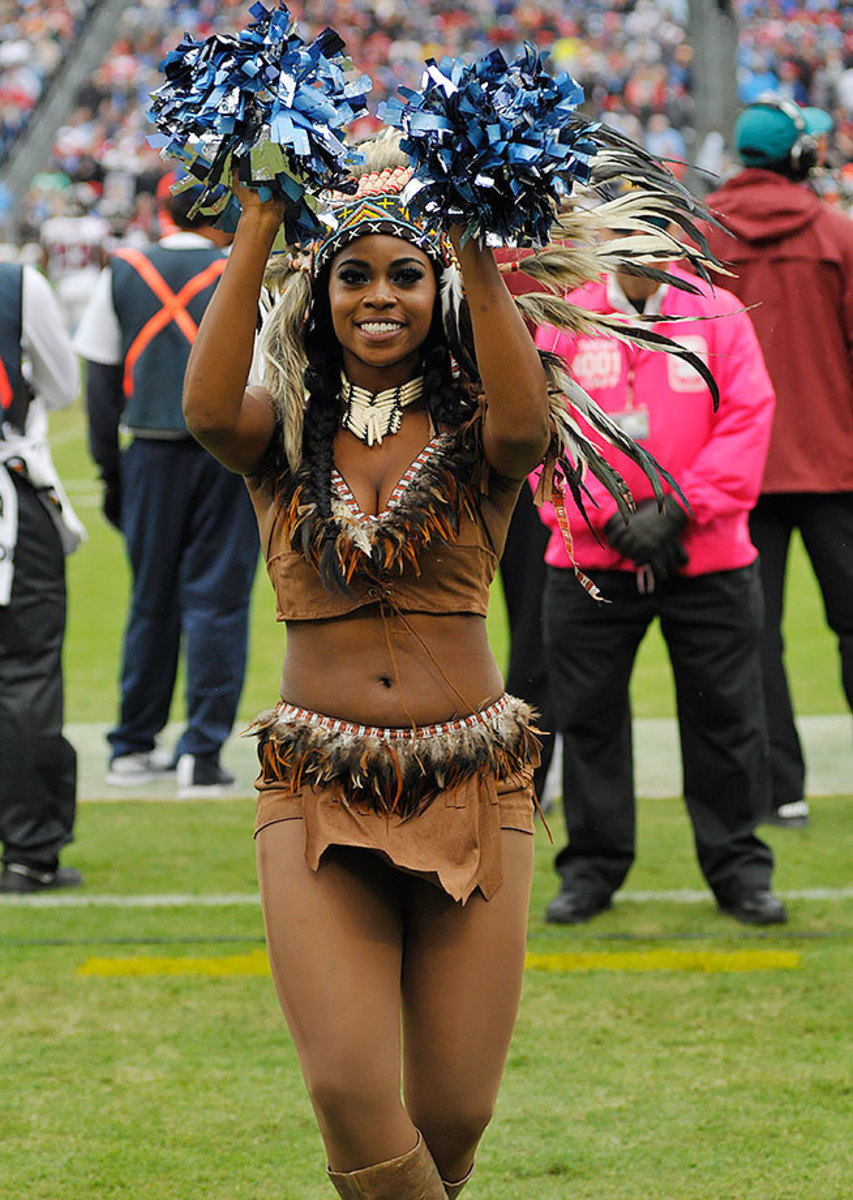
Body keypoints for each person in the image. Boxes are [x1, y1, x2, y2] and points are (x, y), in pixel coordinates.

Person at [534, 234, 788, 927]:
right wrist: (604, 513)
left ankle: (737, 868)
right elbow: (536, 430)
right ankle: (590, 868)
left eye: (645, 231)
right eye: (617, 233)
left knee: (727, 719)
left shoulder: (718, 314)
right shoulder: (563, 319)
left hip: (704, 557)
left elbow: (747, 417)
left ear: (670, 237)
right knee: (587, 721)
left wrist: (679, 509)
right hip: (592, 560)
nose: (631, 248)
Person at [74, 178, 259, 797]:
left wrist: (110, 470)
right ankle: (201, 753)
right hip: (226, 457)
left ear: (163, 210)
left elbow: (100, 381)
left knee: (150, 601)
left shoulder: (124, 268)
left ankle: (132, 744)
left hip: (148, 453)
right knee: (219, 603)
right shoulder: (244, 270)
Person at [702, 96, 853, 829]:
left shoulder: (697, 237)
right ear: (797, 156)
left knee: (752, 639)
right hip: (836, 466)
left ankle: (777, 789)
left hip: (737, 470)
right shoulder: (836, 233)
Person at [0, 260, 86, 893]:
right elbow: (60, 386)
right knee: (26, 672)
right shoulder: (15, 283)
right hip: (11, 501)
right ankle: (30, 853)